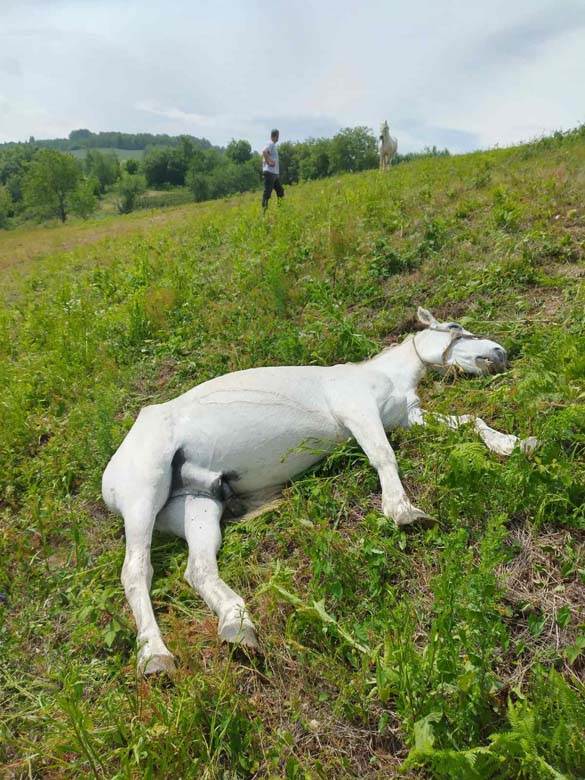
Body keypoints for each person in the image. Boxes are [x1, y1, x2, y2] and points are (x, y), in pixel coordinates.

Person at [261, 128, 284, 210]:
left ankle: (281, 210)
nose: (278, 138)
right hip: (270, 173)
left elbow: (266, 153)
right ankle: (263, 213)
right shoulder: (270, 143)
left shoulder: (272, 145)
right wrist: (269, 162)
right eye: (278, 136)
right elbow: (264, 152)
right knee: (267, 193)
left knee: (280, 191)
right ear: (276, 136)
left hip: (273, 174)